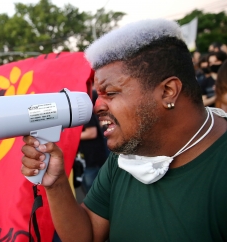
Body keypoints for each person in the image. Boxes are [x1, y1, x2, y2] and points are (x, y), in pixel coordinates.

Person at [21, 19, 227, 241]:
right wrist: (57, 183)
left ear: (168, 91)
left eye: (110, 92)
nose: (96, 106)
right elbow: (87, 236)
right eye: (97, 94)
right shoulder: (125, 156)